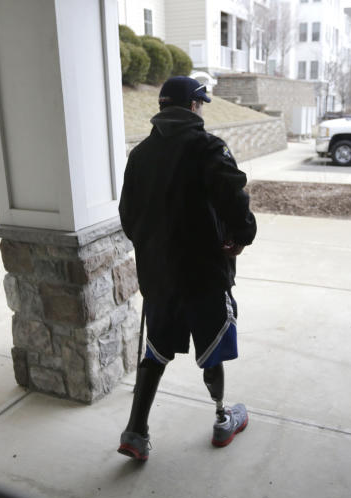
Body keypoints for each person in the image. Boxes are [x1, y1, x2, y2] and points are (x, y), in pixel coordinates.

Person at [117, 76, 257, 461]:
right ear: (194, 107)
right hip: (204, 275)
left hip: (159, 278)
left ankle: (136, 432)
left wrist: (153, 249)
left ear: (163, 108)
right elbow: (234, 198)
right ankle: (222, 418)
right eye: (202, 104)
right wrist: (242, 236)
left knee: (156, 350)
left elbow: (128, 217)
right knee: (211, 348)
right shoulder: (208, 147)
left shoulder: (140, 154)